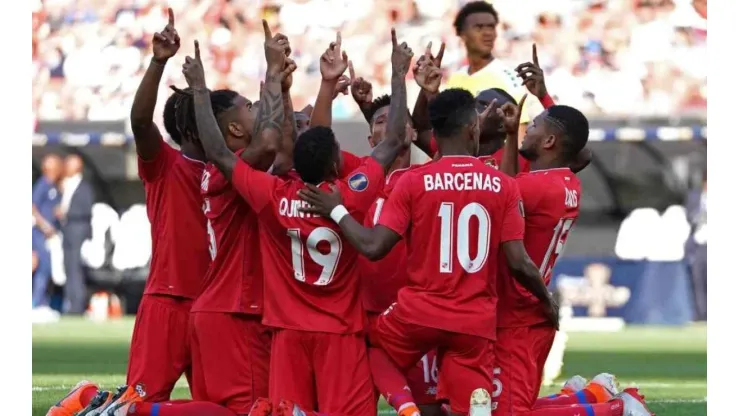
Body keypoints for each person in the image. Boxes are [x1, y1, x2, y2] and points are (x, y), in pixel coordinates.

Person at [184, 28, 411, 416]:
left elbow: (220, 154)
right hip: (341, 334)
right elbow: (392, 141)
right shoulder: (352, 192)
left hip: (287, 335)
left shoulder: (273, 196)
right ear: (337, 161)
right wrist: (397, 73)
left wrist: (200, 90)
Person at [298, 88, 557, 416]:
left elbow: (373, 247)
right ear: (473, 130)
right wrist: (546, 301)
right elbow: (519, 262)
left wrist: (337, 211)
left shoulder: (414, 182)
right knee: (467, 404)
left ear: (433, 133)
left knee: (367, 342)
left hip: (418, 313)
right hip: (474, 322)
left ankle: (406, 409)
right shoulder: (502, 185)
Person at [489, 94, 652, 415]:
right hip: (528, 312)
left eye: (532, 126)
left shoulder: (537, 188)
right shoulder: (564, 182)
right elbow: (578, 153)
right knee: (503, 406)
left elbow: (498, 193)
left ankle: (619, 409)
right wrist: (512, 134)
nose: (526, 130)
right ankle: (590, 395)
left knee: (504, 413)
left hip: (519, 314)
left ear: (550, 140)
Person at [124, 8, 210, 404]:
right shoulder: (167, 165)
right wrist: (159, 63)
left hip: (216, 311)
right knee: (137, 406)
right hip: (168, 303)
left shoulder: (236, 171)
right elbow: (141, 122)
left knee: (222, 409)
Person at [445, 1, 541, 141]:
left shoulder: (508, 77)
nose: (488, 33)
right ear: (462, 33)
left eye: (491, 27)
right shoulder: (456, 78)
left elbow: (519, 135)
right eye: (479, 27)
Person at [59, 154, 94, 315]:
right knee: (68, 267)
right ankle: (69, 303)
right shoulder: (64, 185)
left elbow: (85, 210)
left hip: (78, 230)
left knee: (76, 269)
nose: (65, 165)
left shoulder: (84, 187)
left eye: (69, 163)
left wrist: (66, 212)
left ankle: (77, 306)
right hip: (67, 230)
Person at [32, 154, 63, 309]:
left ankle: (43, 301)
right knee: (42, 265)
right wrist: (45, 226)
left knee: (50, 267)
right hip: (39, 233)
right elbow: (32, 207)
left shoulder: (55, 187)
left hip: (51, 236)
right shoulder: (43, 184)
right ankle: (36, 303)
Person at [684, 171, 707, 322]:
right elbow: (689, 214)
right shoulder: (694, 196)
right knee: (698, 281)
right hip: (700, 244)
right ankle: (701, 315)